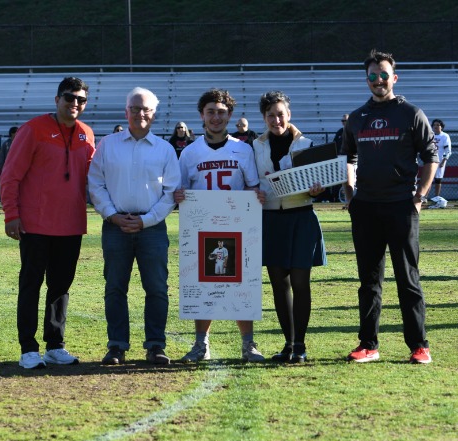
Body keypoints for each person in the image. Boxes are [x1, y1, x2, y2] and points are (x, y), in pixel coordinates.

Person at [341, 49, 438, 365]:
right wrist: (350, 193)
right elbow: (348, 157)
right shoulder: (357, 117)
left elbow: (431, 156)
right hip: (366, 208)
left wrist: (420, 195)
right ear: (366, 80)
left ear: (394, 78)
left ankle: (419, 346)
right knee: (369, 282)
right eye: (372, 75)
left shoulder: (411, 114)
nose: (378, 80)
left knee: (408, 279)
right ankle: (368, 344)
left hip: (401, 206)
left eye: (383, 74)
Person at [0, 77, 96, 369]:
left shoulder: (87, 134)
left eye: (81, 99)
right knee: (31, 284)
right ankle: (28, 348)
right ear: (57, 100)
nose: (75, 103)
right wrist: (11, 214)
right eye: (69, 98)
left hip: (71, 224)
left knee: (61, 287)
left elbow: (96, 177)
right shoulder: (33, 129)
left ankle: (55, 345)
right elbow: (10, 175)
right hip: (35, 224)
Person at [88, 87, 180, 366]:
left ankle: (155, 345)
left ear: (154, 113)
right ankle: (117, 346)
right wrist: (112, 216)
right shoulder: (107, 145)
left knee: (157, 288)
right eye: (135, 108)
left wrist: (145, 220)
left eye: (146, 109)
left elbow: (171, 193)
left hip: (152, 229)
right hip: (115, 227)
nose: (141, 113)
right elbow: (96, 184)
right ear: (126, 111)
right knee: (115, 288)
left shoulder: (165, 149)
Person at [174, 88, 266, 364]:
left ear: (230, 115)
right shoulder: (189, 153)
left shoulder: (243, 149)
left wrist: (255, 195)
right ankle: (201, 344)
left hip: (237, 226)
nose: (216, 117)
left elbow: (252, 186)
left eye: (221, 112)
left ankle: (248, 344)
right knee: (202, 284)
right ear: (202, 115)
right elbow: (182, 190)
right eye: (211, 112)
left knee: (242, 283)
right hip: (201, 228)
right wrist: (179, 196)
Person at [254, 91, 327, 363]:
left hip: (302, 217)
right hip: (271, 218)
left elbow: (321, 184)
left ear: (289, 114)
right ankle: (288, 343)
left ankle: (300, 345)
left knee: (300, 282)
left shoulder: (307, 144)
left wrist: (319, 189)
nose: (276, 120)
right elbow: (252, 181)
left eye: (280, 114)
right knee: (279, 284)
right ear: (264, 118)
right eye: (271, 115)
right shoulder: (255, 146)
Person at [0, 126, 18, 205]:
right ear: (11, 134)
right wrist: (2, 168)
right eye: (15, 133)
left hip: (17, 168)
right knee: (4, 184)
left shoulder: (21, 143)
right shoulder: (6, 144)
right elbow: (2, 156)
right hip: (7, 168)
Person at [429, 119, 452, 199]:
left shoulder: (445, 136)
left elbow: (448, 150)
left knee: (438, 179)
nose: (435, 126)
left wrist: (443, 160)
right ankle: (425, 197)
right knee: (429, 179)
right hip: (430, 160)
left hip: (440, 160)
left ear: (441, 127)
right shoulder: (430, 135)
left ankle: (437, 197)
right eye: (434, 125)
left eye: (438, 125)